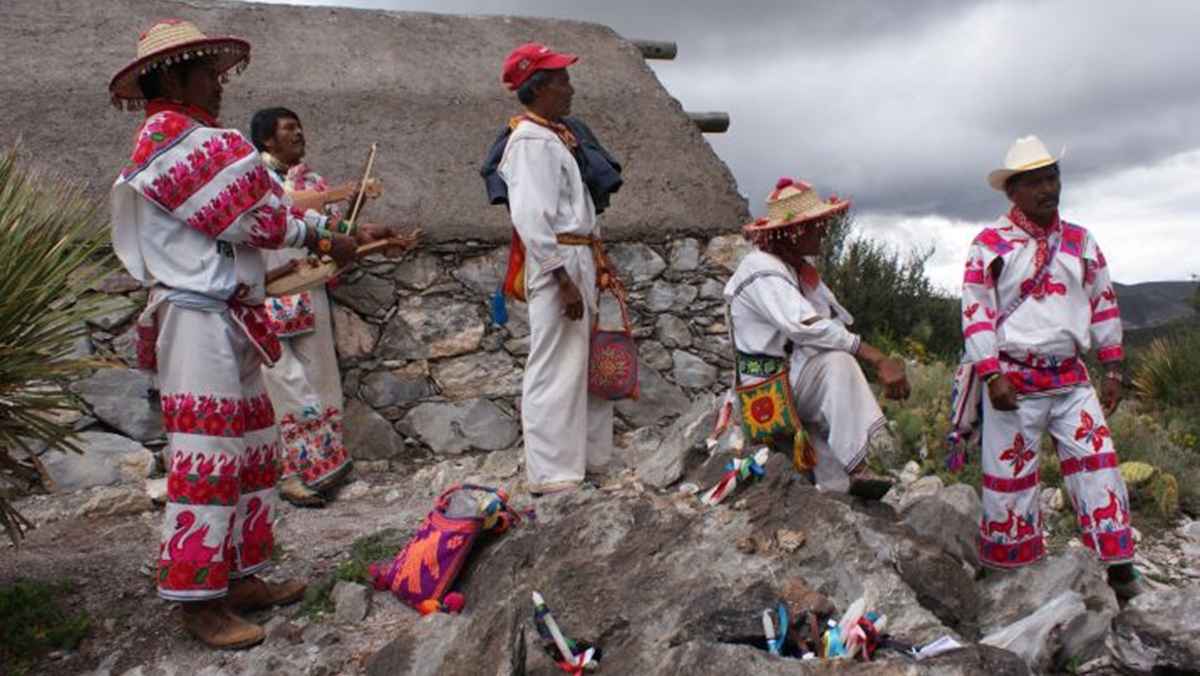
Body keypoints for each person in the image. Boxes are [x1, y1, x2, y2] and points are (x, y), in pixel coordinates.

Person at [108, 20, 386, 648]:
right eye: (209, 73)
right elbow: (254, 217)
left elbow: (261, 214)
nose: (220, 84)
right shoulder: (172, 136)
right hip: (198, 313)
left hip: (226, 311)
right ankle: (198, 600)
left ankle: (240, 576)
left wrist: (339, 237)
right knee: (207, 453)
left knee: (254, 446)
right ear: (174, 76)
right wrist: (324, 238)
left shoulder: (196, 139)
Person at [964, 135, 1140, 596]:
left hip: (1070, 379)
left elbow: (1103, 301)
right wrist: (991, 373)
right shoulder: (989, 245)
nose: (1048, 188)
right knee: (1011, 480)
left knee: (1098, 467)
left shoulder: (1081, 241)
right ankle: (1013, 583)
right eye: (1035, 181)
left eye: (1053, 177)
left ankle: (1120, 575)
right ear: (1012, 192)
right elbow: (975, 312)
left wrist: (1114, 366)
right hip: (1011, 381)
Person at [724, 178, 910, 499]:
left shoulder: (799, 271)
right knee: (839, 362)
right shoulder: (760, 268)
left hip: (795, 381)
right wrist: (877, 358)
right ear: (793, 231)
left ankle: (848, 476)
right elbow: (805, 326)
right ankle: (858, 467)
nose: (824, 231)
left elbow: (831, 323)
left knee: (834, 490)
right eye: (817, 225)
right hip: (767, 393)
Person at [495, 44, 621, 496]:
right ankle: (551, 472)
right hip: (560, 261)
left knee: (585, 361)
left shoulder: (556, 137)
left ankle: (586, 460)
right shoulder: (529, 142)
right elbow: (531, 216)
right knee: (554, 363)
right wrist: (560, 277)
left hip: (578, 255)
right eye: (562, 79)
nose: (570, 88)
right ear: (540, 86)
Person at [248, 107, 375, 508]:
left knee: (321, 377)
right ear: (268, 139)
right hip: (267, 293)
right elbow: (287, 212)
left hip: (308, 289)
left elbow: (336, 231)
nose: (299, 132)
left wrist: (355, 211)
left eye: (299, 126)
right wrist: (330, 201)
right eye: (289, 128)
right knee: (283, 384)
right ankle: (290, 471)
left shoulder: (314, 180)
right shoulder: (254, 179)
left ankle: (327, 465)